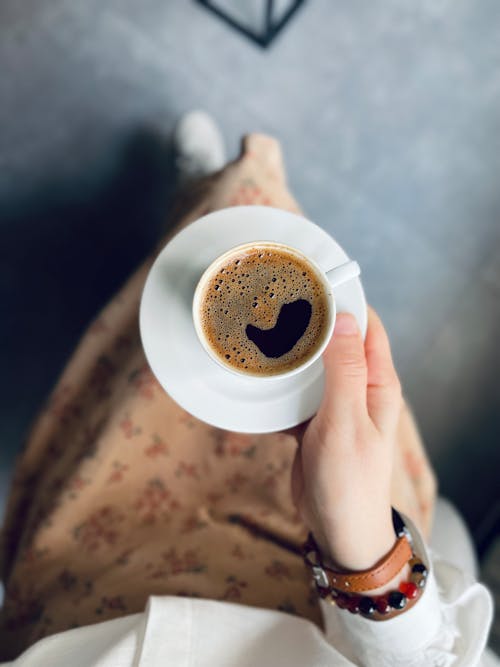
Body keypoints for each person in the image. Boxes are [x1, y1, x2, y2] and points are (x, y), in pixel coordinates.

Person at [0, 113, 497, 666]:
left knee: (129, 391)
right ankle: (212, 198)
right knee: (252, 223)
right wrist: (360, 548)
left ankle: (202, 215)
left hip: (97, 601)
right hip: (326, 586)